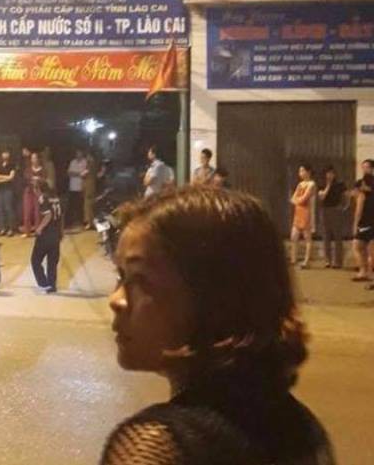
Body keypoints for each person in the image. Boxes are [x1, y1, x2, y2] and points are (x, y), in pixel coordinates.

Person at [103, 186, 335, 465]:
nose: (115, 300)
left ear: (212, 297)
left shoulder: (157, 444)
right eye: (121, 276)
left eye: (140, 279)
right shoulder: (300, 428)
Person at [31, 181, 63, 293]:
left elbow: (48, 215)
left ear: (39, 189)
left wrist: (39, 228)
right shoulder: (55, 198)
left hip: (46, 234)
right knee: (52, 262)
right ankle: (52, 285)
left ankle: (43, 284)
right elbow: (60, 215)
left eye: (35, 188)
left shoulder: (43, 198)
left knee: (35, 260)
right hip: (56, 233)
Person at [318, 166, 348, 269]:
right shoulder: (322, 184)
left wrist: (344, 207)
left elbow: (346, 196)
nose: (330, 175)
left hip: (336, 210)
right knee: (326, 236)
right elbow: (322, 197)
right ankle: (328, 261)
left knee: (337, 236)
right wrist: (328, 186)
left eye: (331, 173)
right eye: (328, 173)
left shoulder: (340, 184)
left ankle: (338, 262)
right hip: (325, 210)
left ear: (335, 174)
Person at [290, 164, 316, 269]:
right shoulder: (300, 184)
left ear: (308, 172)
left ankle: (306, 261)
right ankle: (293, 259)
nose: (300, 173)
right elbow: (293, 198)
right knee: (294, 236)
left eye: (302, 170)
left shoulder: (312, 184)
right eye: (300, 171)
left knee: (307, 237)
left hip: (307, 213)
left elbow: (304, 198)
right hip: (298, 213)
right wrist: (296, 200)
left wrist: (297, 200)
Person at [352, 172, 374, 284]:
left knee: (357, 247)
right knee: (370, 252)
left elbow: (358, 212)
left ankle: (362, 271)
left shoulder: (362, 195)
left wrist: (355, 225)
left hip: (364, 226)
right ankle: (370, 274)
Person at [0, 150, 16, 237]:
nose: (5, 155)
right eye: (4, 153)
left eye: (7, 153)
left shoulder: (12, 165)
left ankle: (11, 228)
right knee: (0, 208)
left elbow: (11, 177)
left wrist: (0, 177)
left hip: (8, 188)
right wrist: (5, 178)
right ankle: (2, 228)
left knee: (8, 208)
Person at [22, 152, 45, 237]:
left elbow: (44, 180)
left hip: (38, 192)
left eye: (35, 158)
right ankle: (27, 232)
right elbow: (26, 178)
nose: (34, 160)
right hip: (29, 192)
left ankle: (38, 231)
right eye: (32, 158)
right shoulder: (28, 169)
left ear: (38, 159)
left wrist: (38, 180)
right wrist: (33, 179)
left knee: (37, 212)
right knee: (27, 212)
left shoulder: (42, 170)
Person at [67, 149, 87, 228]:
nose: (78, 155)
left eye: (80, 153)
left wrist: (75, 174)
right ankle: (70, 222)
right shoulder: (73, 162)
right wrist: (79, 174)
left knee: (80, 206)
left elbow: (85, 174)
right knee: (71, 205)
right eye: (77, 153)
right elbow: (69, 173)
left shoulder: (85, 162)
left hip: (81, 187)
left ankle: (81, 222)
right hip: (72, 187)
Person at [82, 151, 97, 230]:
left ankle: (90, 222)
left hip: (89, 187)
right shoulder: (92, 164)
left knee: (88, 205)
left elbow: (84, 174)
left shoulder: (90, 164)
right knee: (89, 205)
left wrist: (82, 173)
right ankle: (91, 222)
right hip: (90, 186)